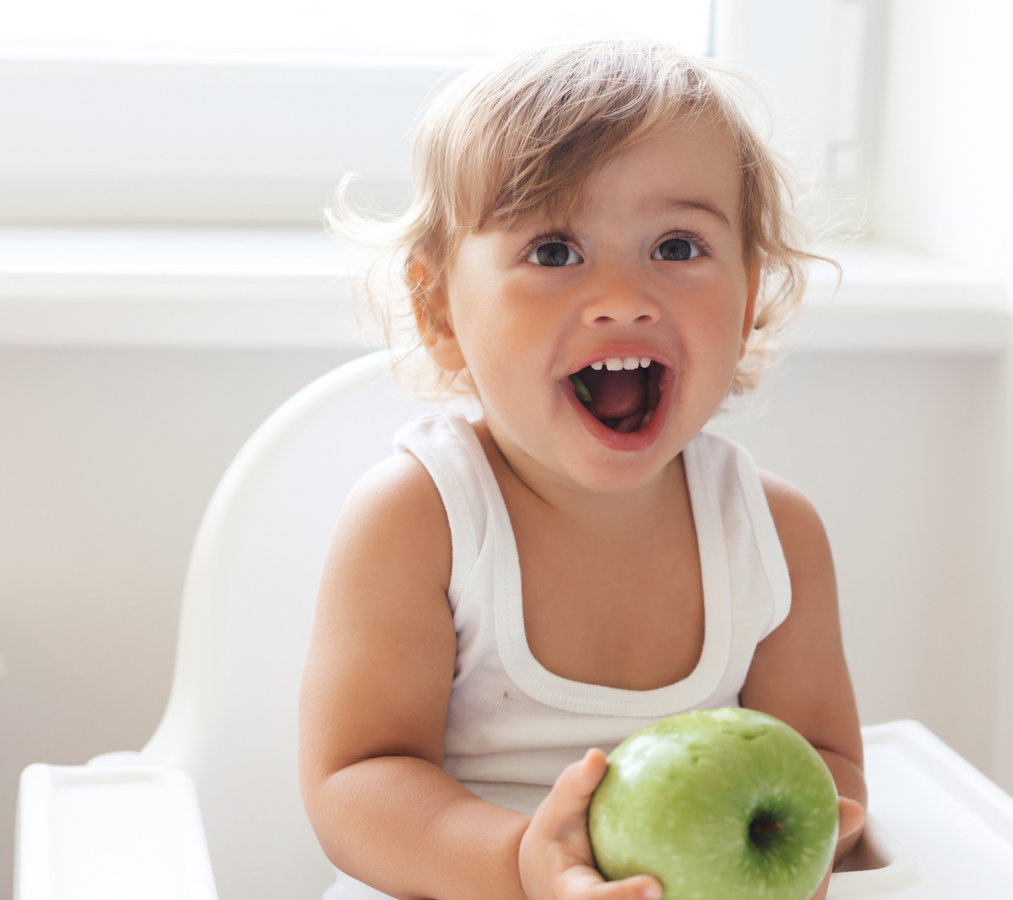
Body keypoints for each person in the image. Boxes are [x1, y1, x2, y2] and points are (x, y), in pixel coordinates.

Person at [300, 37, 865, 900]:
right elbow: (358, 783)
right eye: (555, 252)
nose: (625, 299)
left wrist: (811, 840)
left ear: (748, 296)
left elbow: (825, 763)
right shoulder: (423, 520)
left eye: (676, 247)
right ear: (439, 309)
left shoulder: (774, 536)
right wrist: (523, 864)